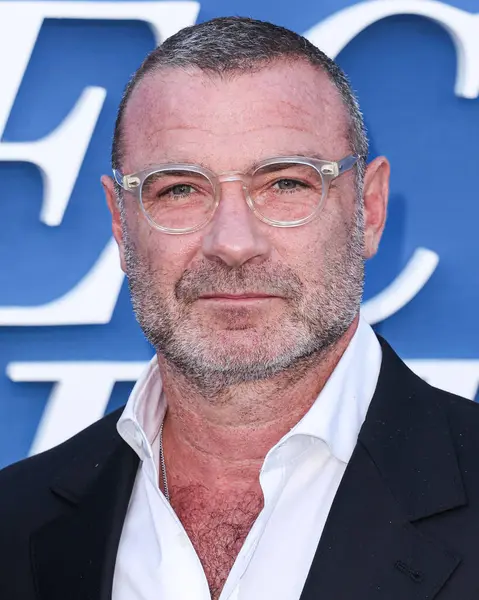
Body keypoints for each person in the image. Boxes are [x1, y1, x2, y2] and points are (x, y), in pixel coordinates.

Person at [1, 15, 479, 600]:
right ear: (121, 225)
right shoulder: (13, 523)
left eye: (285, 183)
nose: (232, 243)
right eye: (179, 188)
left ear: (369, 209)